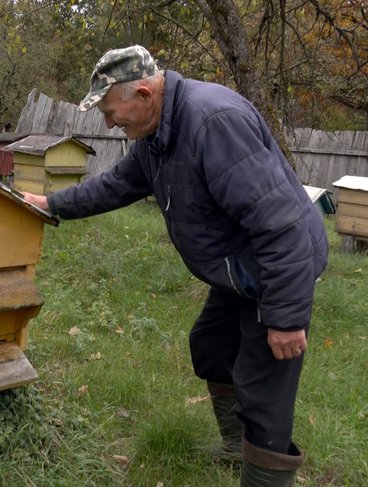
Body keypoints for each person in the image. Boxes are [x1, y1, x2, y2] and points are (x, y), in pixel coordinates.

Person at [23, 45, 328, 487]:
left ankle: (263, 474)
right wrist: (51, 204)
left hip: (272, 269)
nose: (109, 123)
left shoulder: (213, 123)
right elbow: (116, 186)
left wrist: (285, 315)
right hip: (236, 267)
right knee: (211, 347)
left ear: (144, 94)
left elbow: (279, 225)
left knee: (265, 396)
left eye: (111, 111)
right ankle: (233, 446)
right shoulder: (157, 135)